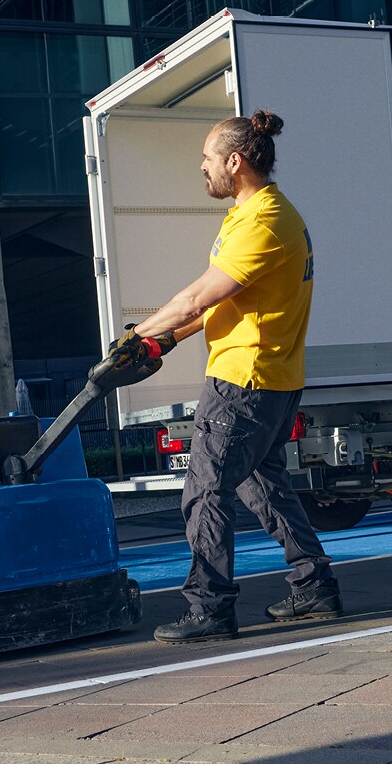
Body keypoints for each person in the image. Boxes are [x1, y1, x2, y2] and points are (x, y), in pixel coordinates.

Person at [134, 109, 343, 644]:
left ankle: (209, 608)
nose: (201, 167)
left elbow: (195, 298)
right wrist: (167, 340)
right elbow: (221, 304)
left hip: (243, 382)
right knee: (263, 486)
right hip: (271, 379)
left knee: (204, 491)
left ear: (234, 161)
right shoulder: (256, 215)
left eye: (207, 158)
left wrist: (134, 338)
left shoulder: (263, 223)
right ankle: (314, 586)